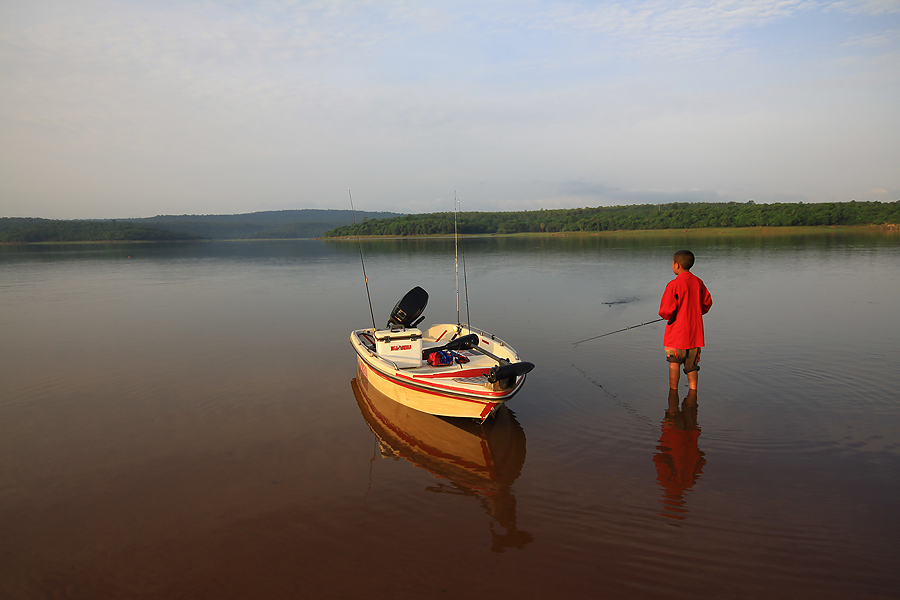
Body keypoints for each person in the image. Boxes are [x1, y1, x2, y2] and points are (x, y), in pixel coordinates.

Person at [658, 250, 712, 391]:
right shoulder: (698, 282)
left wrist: (668, 316)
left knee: (674, 363)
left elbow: (665, 311)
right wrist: (695, 312)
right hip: (695, 334)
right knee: (692, 367)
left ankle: (673, 392)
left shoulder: (673, 285)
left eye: (672, 263)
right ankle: (693, 393)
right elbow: (707, 303)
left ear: (676, 265)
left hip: (677, 334)